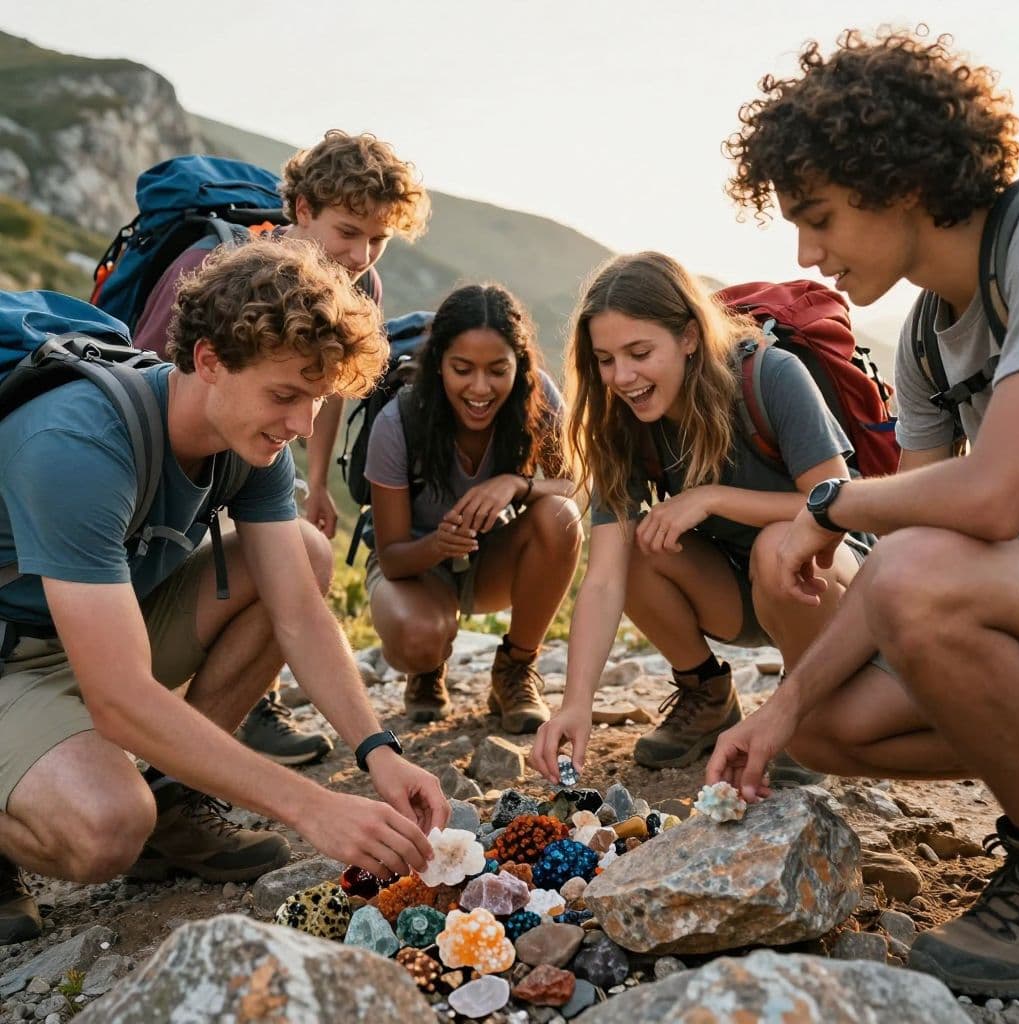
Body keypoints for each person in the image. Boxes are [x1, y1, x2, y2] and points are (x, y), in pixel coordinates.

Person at [0, 238, 448, 946]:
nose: (302, 426)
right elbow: (117, 699)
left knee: (301, 550)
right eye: (285, 394)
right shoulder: (76, 445)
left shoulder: (246, 442)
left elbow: (297, 611)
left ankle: (177, 802)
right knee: (106, 825)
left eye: (317, 399)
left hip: (94, 628)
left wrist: (378, 751)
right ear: (209, 361)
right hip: (12, 661)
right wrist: (312, 807)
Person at [705, 28, 1019, 997]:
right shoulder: (930, 331)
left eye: (821, 216)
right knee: (827, 728)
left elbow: (991, 492)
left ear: (903, 182)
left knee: (923, 579)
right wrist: (778, 713)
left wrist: (831, 503)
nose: (807, 252)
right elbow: (926, 536)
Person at [135, 129, 431, 764]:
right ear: (302, 210)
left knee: (295, 559)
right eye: (348, 231)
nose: (361, 255)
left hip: (253, 453)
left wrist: (315, 481)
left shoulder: (359, 288)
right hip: (165, 463)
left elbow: (328, 392)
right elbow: (153, 372)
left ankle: (241, 711)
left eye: (378, 239)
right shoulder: (219, 271)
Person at [531, 251, 863, 783]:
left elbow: (839, 504)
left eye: (639, 352)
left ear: (688, 337)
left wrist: (711, 497)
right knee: (638, 541)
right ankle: (707, 697)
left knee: (780, 541)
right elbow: (604, 579)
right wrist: (576, 704)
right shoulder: (621, 425)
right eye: (606, 359)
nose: (622, 376)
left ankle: (808, 718)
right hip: (738, 589)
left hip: (832, 591)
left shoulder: (770, 376)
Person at [364, 283, 582, 733]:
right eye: (462, 369)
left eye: (497, 370)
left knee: (560, 515)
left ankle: (515, 670)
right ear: (439, 363)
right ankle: (426, 668)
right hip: (417, 568)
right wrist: (439, 545)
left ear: (518, 365)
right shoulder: (398, 422)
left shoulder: (535, 396)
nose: (480, 388)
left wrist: (516, 485)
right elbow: (392, 557)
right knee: (418, 637)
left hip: (492, 560)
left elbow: (574, 485)